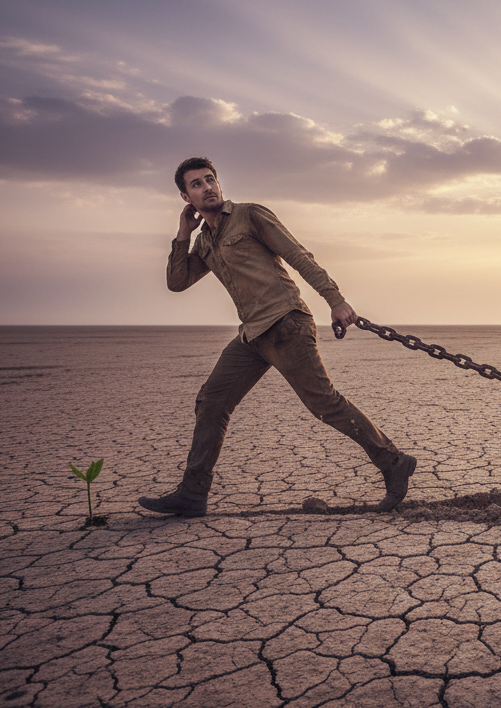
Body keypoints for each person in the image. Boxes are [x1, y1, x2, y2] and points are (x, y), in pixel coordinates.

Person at [139, 157, 416, 517]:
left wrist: (335, 299)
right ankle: (192, 494)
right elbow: (177, 283)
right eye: (196, 184)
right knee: (211, 401)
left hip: (286, 325)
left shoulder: (250, 215)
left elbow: (298, 255)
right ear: (185, 196)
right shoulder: (204, 241)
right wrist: (183, 235)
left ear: (219, 184)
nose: (207, 188)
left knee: (325, 404)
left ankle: (393, 462)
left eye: (210, 180)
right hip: (251, 336)